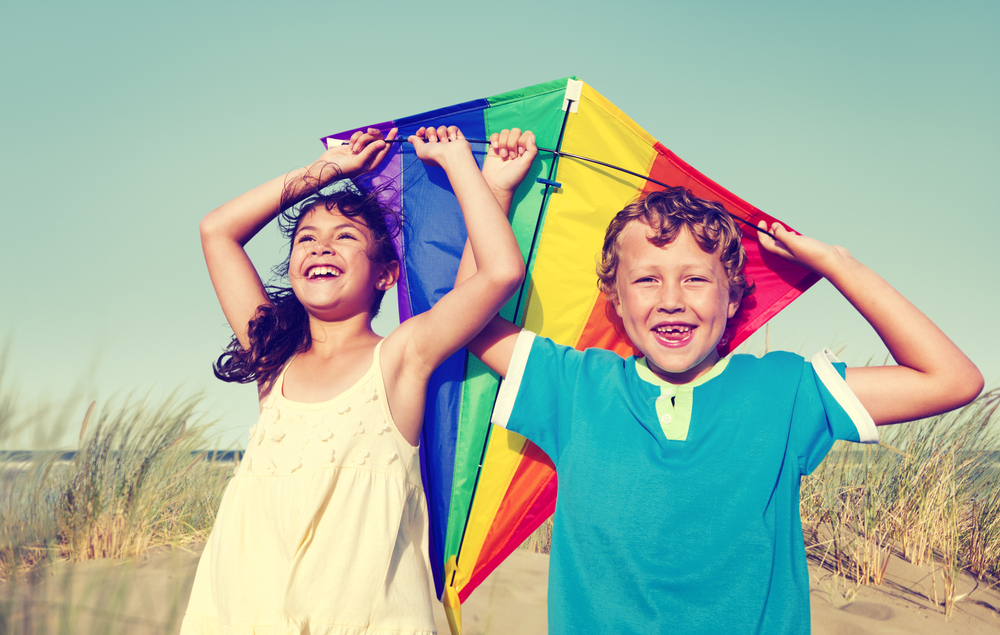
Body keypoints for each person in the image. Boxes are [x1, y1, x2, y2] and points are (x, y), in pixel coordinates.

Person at [462, 129, 984, 635]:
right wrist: (494, 189)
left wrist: (835, 263)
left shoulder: (785, 389)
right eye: (647, 279)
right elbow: (464, 318)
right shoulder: (575, 386)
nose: (671, 298)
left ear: (732, 297)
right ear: (616, 301)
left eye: (695, 278)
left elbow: (951, 379)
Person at [180, 125, 526, 634]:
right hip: (247, 614)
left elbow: (498, 273)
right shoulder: (273, 357)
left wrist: (465, 169)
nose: (322, 248)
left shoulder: (402, 355)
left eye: (345, 238)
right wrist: (333, 169)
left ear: (385, 273)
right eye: (307, 239)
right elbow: (217, 231)